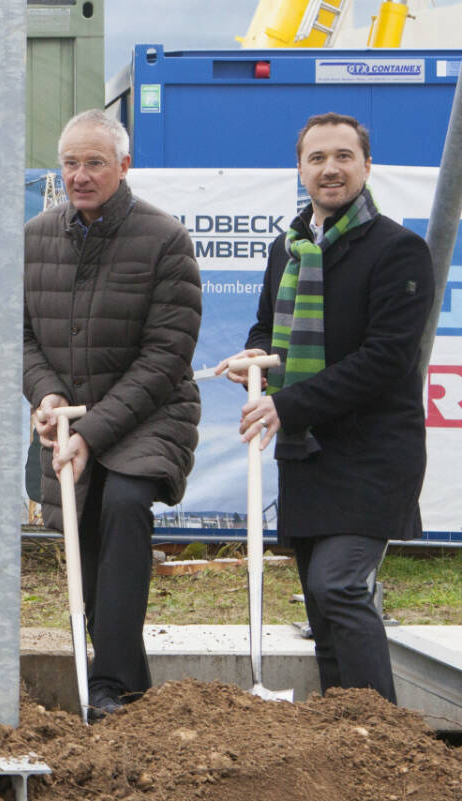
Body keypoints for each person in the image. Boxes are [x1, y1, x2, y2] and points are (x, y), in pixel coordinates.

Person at [219, 113, 431, 704]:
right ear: (300, 169)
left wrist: (286, 404)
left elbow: (386, 359)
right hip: (308, 454)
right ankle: (345, 740)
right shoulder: (286, 251)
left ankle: (382, 738)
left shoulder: (399, 250)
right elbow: (268, 332)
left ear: (366, 166)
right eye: (317, 158)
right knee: (320, 602)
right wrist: (253, 366)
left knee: (338, 587)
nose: (330, 168)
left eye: (343, 156)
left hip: (373, 455)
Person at [25, 109, 201, 717]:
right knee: (86, 532)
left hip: (151, 414)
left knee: (123, 506)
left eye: (95, 162)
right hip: (68, 418)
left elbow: (166, 356)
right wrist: (45, 396)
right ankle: (126, 685)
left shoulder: (165, 240)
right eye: (70, 162)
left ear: (124, 166)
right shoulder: (36, 237)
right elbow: (18, 336)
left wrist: (93, 433)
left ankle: (110, 686)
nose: (80, 175)